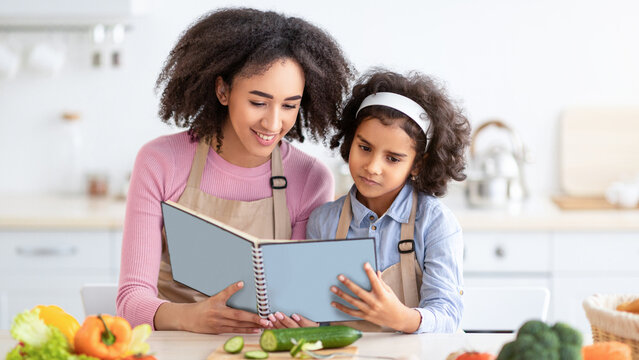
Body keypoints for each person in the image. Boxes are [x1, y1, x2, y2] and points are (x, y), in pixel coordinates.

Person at [116, 8, 353, 334]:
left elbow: (299, 303)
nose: (273, 123)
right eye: (258, 102)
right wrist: (193, 317)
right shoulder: (160, 161)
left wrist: (305, 318)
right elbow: (131, 301)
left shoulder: (310, 178)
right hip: (173, 348)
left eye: (289, 105)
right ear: (223, 91)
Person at [305, 70, 471, 333]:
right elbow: (315, 314)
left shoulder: (434, 223)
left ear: (417, 164)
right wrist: (304, 319)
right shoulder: (323, 222)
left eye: (392, 158)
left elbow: (448, 314)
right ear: (350, 141)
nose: (372, 167)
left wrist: (399, 318)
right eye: (365, 148)